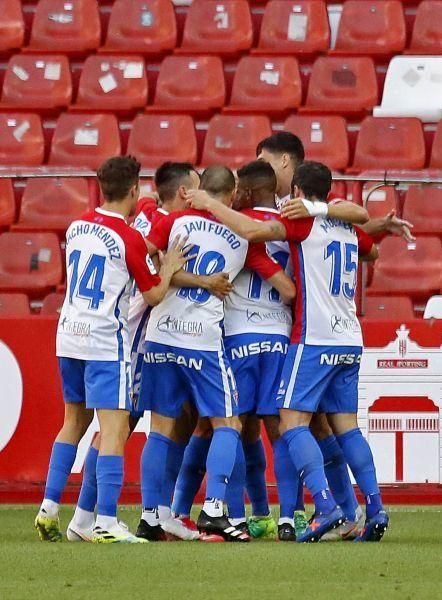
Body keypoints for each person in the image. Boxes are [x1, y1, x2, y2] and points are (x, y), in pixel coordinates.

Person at [188, 161, 390, 543]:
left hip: (313, 337)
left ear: (296, 191)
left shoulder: (302, 222)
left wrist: (208, 202)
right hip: (349, 337)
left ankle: (326, 505)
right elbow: (371, 248)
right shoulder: (344, 224)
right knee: (347, 427)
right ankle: (376, 508)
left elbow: (250, 230)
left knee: (291, 422)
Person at [65, 162, 232, 542]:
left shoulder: (147, 218)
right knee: (117, 430)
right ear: (180, 194)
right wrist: (200, 278)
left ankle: (101, 516)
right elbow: (154, 284)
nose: (197, 197)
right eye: (193, 190)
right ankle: (95, 517)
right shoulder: (158, 229)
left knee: (137, 428)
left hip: (134, 339)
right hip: (133, 342)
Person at [34, 156, 191, 544]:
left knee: (73, 422)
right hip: (105, 341)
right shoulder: (129, 238)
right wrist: (169, 266)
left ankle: (50, 508)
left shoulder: (77, 226)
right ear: (135, 191)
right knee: (114, 429)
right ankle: (106, 519)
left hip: (68, 334)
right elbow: (153, 294)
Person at [136, 165, 291, 542]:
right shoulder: (242, 237)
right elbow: (284, 287)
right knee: (228, 424)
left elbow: (139, 255)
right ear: (232, 192)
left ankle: (149, 515)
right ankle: (215, 510)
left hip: (161, 334)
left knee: (160, 429)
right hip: (203, 341)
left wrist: (168, 271)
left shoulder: (174, 221)